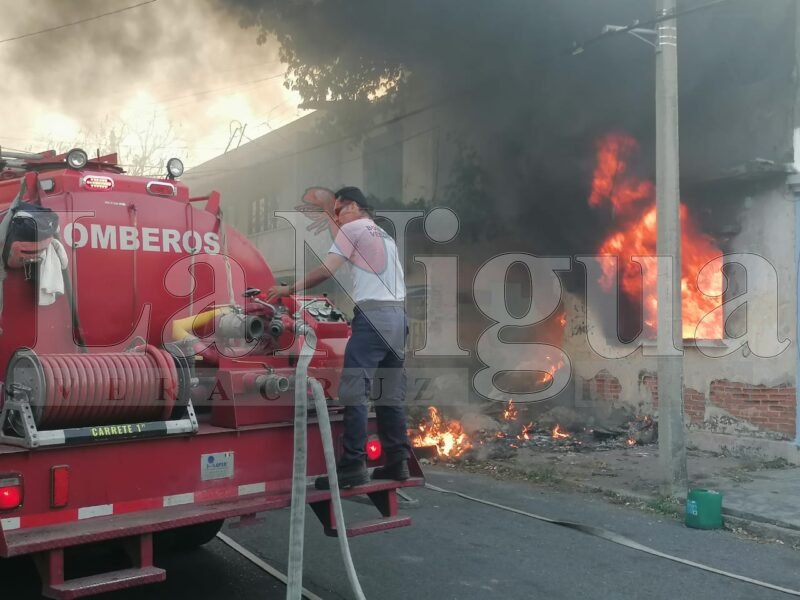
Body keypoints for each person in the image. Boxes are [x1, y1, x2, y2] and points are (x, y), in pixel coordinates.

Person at [266, 186, 412, 489]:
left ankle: (353, 465)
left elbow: (326, 270)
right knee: (389, 393)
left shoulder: (353, 228)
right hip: (398, 319)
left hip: (373, 319)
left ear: (353, 206)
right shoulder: (384, 236)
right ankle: (398, 462)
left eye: (338, 210)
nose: (336, 218)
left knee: (354, 391)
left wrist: (287, 289)